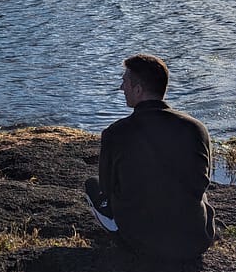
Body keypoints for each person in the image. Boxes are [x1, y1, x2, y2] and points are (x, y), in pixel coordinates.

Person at [85, 53, 215, 261]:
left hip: (139, 242)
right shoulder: (197, 129)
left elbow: (108, 189)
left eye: (125, 82)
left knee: (92, 185)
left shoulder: (116, 133)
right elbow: (202, 181)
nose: (121, 88)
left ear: (138, 90)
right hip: (194, 240)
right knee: (193, 190)